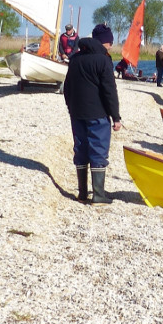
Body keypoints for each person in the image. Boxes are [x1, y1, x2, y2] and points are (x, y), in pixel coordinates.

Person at [63, 23, 122, 205]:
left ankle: (82, 193)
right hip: (97, 114)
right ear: (104, 42)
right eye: (110, 42)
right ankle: (98, 195)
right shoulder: (103, 60)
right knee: (98, 149)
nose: (111, 46)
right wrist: (116, 117)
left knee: (80, 148)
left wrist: (71, 107)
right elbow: (109, 91)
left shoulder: (75, 59)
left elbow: (67, 87)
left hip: (77, 112)